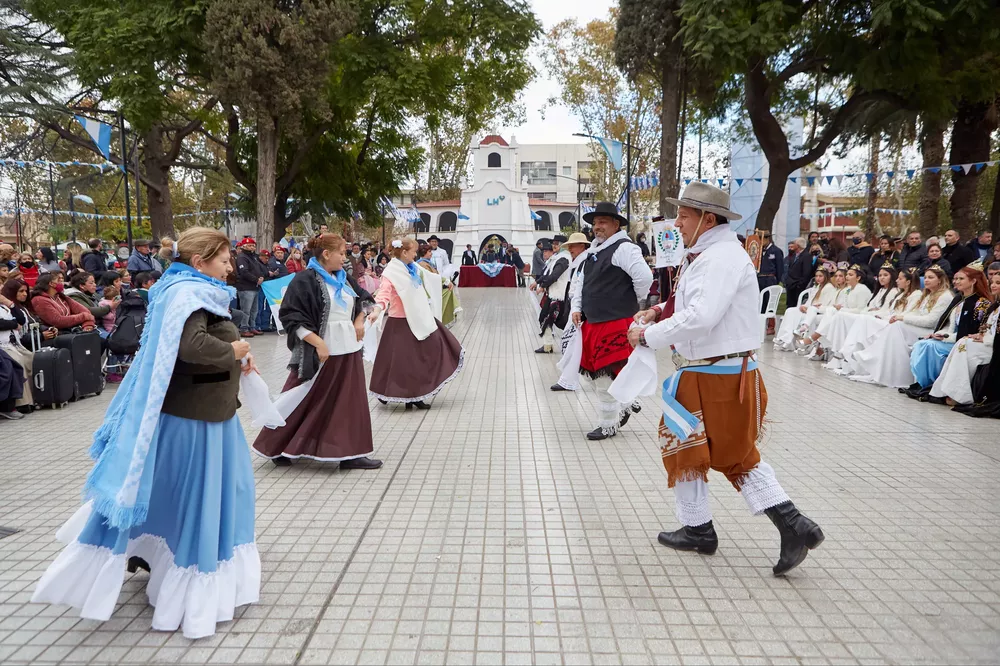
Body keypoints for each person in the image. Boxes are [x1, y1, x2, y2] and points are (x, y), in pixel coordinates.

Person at [32, 227, 260, 639]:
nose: (231, 267)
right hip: (196, 419)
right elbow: (191, 347)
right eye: (225, 260)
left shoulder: (189, 290)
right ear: (200, 261)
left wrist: (235, 355)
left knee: (193, 494)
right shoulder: (188, 294)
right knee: (199, 497)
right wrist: (233, 351)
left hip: (206, 413)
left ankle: (154, 554)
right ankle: (180, 574)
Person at [629, 182, 823, 577]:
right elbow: (693, 302)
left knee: (713, 453)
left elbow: (702, 315)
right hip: (719, 371)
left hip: (713, 374)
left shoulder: (718, 257)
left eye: (684, 215)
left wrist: (646, 334)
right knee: (712, 452)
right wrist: (659, 311)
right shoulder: (714, 253)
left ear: (707, 218)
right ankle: (771, 525)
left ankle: (757, 526)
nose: (678, 223)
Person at [254, 233, 381, 469]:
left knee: (348, 401)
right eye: (341, 253)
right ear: (326, 254)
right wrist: (317, 343)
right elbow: (291, 315)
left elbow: (366, 300)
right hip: (319, 351)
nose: (344, 258)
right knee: (302, 397)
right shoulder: (304, 279)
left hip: (348, 349)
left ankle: (349, 453)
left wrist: (359, 320)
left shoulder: (344, 279)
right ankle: (278, 445)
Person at [569, 201, 652, 441]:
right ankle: (627, 402)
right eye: (595, 223)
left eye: (603, 222)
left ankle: (608, 424)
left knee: (605, 377)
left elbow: (644, 278)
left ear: (616, 224)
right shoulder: (593, 251)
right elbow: (581, 284)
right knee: (601, 373)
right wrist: (577, 307)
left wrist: (631, 301)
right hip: (594, 322)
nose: (597, 227)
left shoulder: (624, 248)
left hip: (615, 321)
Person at [368, 238, 464, 410]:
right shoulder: (391, 272)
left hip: (419, 317)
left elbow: (430, 277)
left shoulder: (412, 267)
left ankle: (417, 393)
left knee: (420, 357)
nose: (415, 254)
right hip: (400, 324)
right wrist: (377, 309)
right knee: (402, 362)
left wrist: (445, 281)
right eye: (413, 251)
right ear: (404, 253)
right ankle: (404, 394)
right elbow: (383, 294)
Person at [851, 266, 953, 387]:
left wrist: (903, 318)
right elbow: (916, 312)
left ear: (940, 280)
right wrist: (900, 317)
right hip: (919, 326)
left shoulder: (945, 296)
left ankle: (884, 368)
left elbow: (931, 321)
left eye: (931, 277)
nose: (926, 280)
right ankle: (882, 370)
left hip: (931, 330)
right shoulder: (929, 294)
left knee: (897, 326)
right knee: (895, 326)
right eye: (925, 277)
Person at [904, 264, 991, 398]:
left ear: (973, 281)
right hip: (952, 338)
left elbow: (970, 331)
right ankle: (924, 383)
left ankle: (935, 384)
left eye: (961, 279)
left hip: (964, 342)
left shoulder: (981, 304)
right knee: (922, 345)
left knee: (930, 347)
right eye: (956, 278)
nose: (956, 282)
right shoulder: (958, 299)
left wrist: (945, 337)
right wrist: (939, 334)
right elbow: (951, 326)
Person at [928, 271, 1000, 405]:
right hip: (987, 342)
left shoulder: (982, 303)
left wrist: (986, 339)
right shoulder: (995, 306)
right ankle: (948, 390)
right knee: (963, 343)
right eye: (992, 283)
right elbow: (988, 328)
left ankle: (959, 394)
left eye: (998, 283)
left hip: (994, 347)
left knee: (964, 346)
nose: (993, 286)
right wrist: (981, 335)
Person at [550, 233, 592, 392]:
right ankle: (571, 379)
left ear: (582, 246)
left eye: (573, 246)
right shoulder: (578, 263)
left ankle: (568, 380)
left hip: (581, 310)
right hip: (576, 308)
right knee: (575, 345)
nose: (570, 249)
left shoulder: (586, 262)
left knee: (574, 344)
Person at [807, 265, 874, 362]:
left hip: (857, 317)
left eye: (850, 275)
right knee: (833, 314)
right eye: (847, 274)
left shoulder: (862, 289)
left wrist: (841, 310)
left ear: (858, 278)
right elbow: (845, 306)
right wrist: (840, 308)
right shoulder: (848, 289)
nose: (847, 277)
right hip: (846, 315)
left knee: (834, 314)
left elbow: (860, 310)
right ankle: (824, 346)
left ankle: (817, 340)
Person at [0, 282, 34, 412]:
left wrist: (10, 304)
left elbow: (21, 320)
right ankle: (22, 403)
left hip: (15, 343)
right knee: (17, 362)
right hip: (3, 346)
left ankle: (34, 398)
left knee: (30, 358)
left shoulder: (6, 307)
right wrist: (13, 324)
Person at [533, 239, 571, 354]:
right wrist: (538, 282)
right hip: (554, 294)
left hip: (559, 295)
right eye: (553, 244)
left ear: (563, 246)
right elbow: (547, 273)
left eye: (557, 244)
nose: (554, 246)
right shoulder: (557, 258)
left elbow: (554, 275)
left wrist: (542, 286)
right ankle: (547, 345)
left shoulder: (564, 259)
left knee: (561, 322)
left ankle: (574, 343)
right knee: (546, 318)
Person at [30, 272, 96, 332]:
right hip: (57, 334)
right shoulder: (39, 300)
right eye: (59, 280)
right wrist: (83, 317)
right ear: (51, 284)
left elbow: (86, 312)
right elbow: (58, 321)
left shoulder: (61, 296)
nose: (62, 283)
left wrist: (88, 325)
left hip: (74, 330)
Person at [234, 237, 266, 337]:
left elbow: (258, 269)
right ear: (244, 246)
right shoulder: (242, 257)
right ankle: (244, 328)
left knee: (254, 310)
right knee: (246, 310)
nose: (252, 247)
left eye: (253, 245)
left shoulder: (253, 257)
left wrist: (261, 276)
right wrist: (256, 279)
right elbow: (244, 272)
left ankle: (252, 327)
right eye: (249, 245)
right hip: (246, 287)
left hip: (254, 287)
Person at [783, 238, 813, 308]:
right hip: (790, 285)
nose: (792, 245)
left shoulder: (806, 256)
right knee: (790, 306)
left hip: (798, 286)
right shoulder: (794, 255)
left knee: (797, 305)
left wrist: (800, 284)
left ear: (798, 245)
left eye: (794, 244)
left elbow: (807, 272)